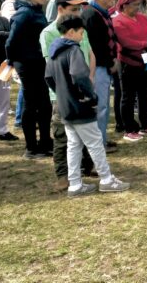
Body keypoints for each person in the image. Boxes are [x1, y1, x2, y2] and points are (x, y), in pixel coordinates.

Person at [44, 15, 130, 197]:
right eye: (81, 32)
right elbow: (80, 75)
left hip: (64, 105)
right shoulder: (73, 50)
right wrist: (89, 95)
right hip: (80, 106)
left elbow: (48, 77)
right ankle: (106, 179)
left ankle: (75, 184)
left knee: (73, 145)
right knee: (95, 143)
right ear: (71, 32)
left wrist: (62, 94)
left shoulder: (54, 51)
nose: (82, 37)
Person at [40, 0, 98, 190]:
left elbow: (90, 54)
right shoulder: (48, 34)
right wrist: (63, 91)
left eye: (80, 8)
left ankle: (88, 166)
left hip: (83, 89)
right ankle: (63, 175)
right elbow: (51, 69)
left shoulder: (80, 27)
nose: (79, 12)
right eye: (74, 9)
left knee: (89, 129)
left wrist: (88, 81)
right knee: (62, 136)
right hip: (62, 95)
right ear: (60, 9)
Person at [6, 0, 53, 159]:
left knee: (44, 105)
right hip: (27, 64)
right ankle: (31, 148)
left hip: (39, 62)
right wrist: (12, 61)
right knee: (31, 104)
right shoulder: (24, 13)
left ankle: (45, 142)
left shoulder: (36, 10)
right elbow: (12, 41)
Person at [112, 0, 147, 141]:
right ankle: (129, 128)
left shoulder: (142, 18)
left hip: (146, 60)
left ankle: (145, 124)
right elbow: (126, 42)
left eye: (139, 4)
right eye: (135, 4)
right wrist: (145, 44)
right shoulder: (118, 21)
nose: (138, 7)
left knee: (145, 93)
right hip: (128, 63)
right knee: (128, 96)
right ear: (124, 5)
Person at [82, 0, 118, 152]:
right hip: (98, 67)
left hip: (104, 64)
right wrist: (110, 62)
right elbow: (95, 46)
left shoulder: (101, 13)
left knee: (104, 106)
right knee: (100, 106)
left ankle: (102, 138)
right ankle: (98, 144)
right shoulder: (91, 14)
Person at [0, 0, 15, 141]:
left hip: (4, 65)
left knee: (3, 99)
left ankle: (0, 130)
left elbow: (12, 36)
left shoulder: (3, 20)